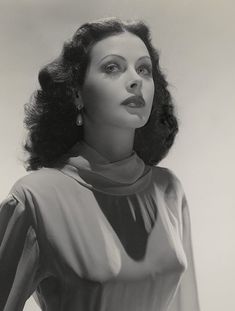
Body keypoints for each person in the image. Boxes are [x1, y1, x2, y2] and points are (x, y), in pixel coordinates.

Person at [0, 17, 201, 311]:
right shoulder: (34, 199)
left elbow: (187, 305)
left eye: (143, 69)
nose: (135, 80)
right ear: (77, 92)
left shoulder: (168, 189)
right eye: (112, 67)